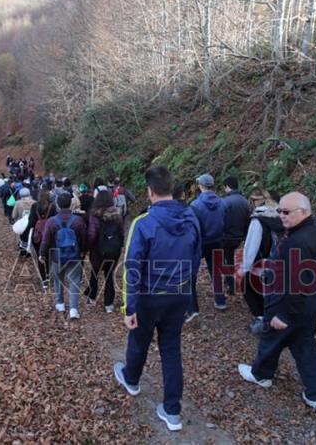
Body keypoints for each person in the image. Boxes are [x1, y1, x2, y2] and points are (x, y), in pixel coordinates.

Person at [113, 165, 201, 432]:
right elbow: (196, 259)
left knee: (139, 340)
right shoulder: (192, 219)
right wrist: (186, 293)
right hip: (179, 294)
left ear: (150, 191)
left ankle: (131, 378)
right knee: (171, 349)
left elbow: (132, 267)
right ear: (172, 189)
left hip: (151, 296)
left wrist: (130, 307)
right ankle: (172, 410)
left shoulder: (143, 223)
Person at [238, 192, 316, 417]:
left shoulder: (297, 242)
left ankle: (261, 375)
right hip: (308, 307)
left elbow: (297, 285)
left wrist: (285, 315)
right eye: (279, 211)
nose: (281, 215)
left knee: (271, 340)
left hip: (288, 307)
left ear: (304, 212)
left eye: (287, 212)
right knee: (305, 348)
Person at [238, 192, 284, 335]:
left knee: (249, 287)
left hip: (260, 265)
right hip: (280, 264)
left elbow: (251, 245)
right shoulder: (283, 217)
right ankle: (274, 319)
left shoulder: (257, 221)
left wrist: (245, 267)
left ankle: (262, 319)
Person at [39, 192, 86, 319]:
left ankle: (60, 303)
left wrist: (42, 254)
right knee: (74, 281)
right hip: (74, 255)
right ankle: (73, 310)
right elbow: (83, 239)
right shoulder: (78, 221)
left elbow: (46, 240)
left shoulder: (51, 221)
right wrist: (82, 252)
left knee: (58, 279)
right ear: (70, 204)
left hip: (56, 256)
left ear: (57, 205)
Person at [188, 173, 226, 319]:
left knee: (191, 273)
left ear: (201, 186)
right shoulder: (223, 202)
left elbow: (193, 226)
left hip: (201, 242)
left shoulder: (195, 205)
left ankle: (193, 308)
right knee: (216, 271)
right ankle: (220, 300)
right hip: (218, 240)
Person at [85, 190, 125, 312]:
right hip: (113, 249)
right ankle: (109, 304)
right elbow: (122, 233)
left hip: (98, 250)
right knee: (109, 275)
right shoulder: (117, 215)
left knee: (95, 273)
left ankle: (92, 298)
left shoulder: (94, 215)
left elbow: (92, 234)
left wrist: (88, 247)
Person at [221, 176, 250, 296]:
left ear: (228, 187)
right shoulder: (245, 201)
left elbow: (221, 219)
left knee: (226, 260)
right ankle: (231, 282)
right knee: (230, 259)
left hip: (227, 236)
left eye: (224, 187)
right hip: (239, 237)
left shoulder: (225, 202)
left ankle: (230, 285)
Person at [29, 190, 57, 289]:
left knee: (40, 256)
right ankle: (49, 275)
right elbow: (56, 222)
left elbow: (31, 222)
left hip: (38, 236)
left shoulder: (34, 207)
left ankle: (44, 280)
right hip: (50, 236)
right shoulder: (52, 207)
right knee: (49, 255)